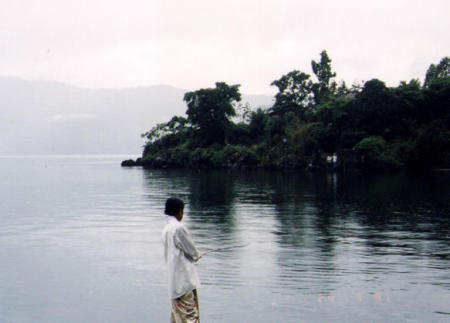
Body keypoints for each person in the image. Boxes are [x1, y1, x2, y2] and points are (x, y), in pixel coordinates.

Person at [162, 197, 210, 323]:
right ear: (179, 211)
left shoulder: (166, 229)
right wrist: (199, 255)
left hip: (174, 283)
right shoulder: (178, 228)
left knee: (177, 317)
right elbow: (192, 252)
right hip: (184, 283)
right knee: (190, 317)